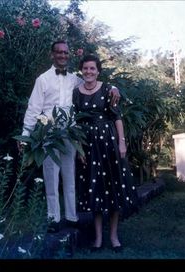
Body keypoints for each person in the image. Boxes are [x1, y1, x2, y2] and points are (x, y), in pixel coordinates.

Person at [20, 40, 121, 233]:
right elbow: (33, 108)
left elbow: (95, 83)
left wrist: (115, 87)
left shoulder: (75, 79)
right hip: (48, 134)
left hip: (70, 134)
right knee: (51, 177)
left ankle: (71, 216)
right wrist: (26, 134)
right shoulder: (43, 79)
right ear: (52, 55)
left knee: (70, 175)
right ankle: (53, 218)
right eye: (59, 53)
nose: (63, 56)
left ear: (69, 55)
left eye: (66, 53)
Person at [72, 54, 138, 252]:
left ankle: (114, 236)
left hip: (109, 144)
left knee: (114, 189)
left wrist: (122, 143)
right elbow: (75, 123)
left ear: (98, 71)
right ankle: (99, 238)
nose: (89, 72)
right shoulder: (76, 93)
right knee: (95, 191)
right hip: (89, 146)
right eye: (86, 68)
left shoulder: (109, 89)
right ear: (81, 70)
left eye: (92, 68)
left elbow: (117, 117)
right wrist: (79, 148)